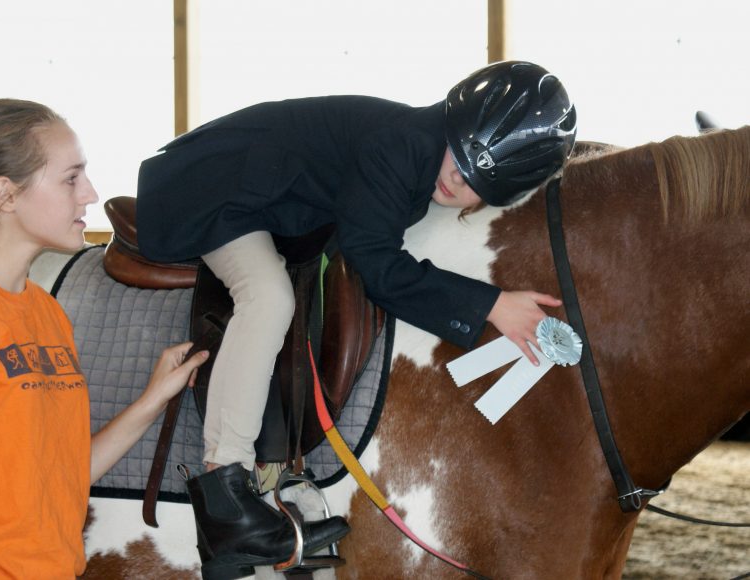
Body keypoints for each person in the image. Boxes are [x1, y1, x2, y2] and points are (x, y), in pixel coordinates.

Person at [136, 60, 576, 579]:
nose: (457, 179)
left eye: (478, 181)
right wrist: (491, 304)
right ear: (451, 122)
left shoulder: (423, 150)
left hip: (268, 197)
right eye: (459, 158)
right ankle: (226, 493)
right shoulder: (403, 144)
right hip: (212, 191)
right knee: (269, 297)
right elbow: (376, 263)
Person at [0, 99, 212, 579]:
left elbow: (67, 477)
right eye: (71, 178)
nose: (90, 193)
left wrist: (154, 398)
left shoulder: (46, 312)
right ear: (5, 194)